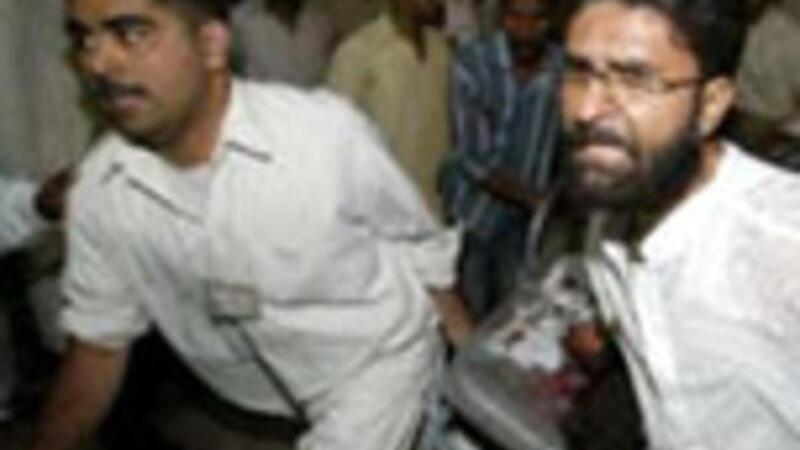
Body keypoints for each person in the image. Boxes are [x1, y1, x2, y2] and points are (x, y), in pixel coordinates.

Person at [30, 0, 471, 449]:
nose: (99, 63)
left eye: (132, 33)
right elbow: (97, 348)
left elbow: (420, 242)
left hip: (382, 372)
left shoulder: (322, 136)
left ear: (211, 45)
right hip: (279, 396)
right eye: (85, 39)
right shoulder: (103, 192)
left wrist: (470, 366)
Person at [556, 0, 800, 447]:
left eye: (635, 80)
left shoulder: (783, 242)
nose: (587, 110)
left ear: (711, 104)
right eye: (578, 72)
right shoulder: (607, 214)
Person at [439, 0, 561, 320]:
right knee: (471, 319)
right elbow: (473, 159)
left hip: (527, 228)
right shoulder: (472, 64)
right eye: (515, 17)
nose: (525, 30)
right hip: (475, 218)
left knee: (518, 322)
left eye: (537, 19)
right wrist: (537, 199)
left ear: (552, 20)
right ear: (500, 17)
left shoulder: (563, 69)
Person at [327, 0, 451, 218]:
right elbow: (336, 141)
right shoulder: (359, 52)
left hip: (434, 205)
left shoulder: (441, 49)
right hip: (381, 208)